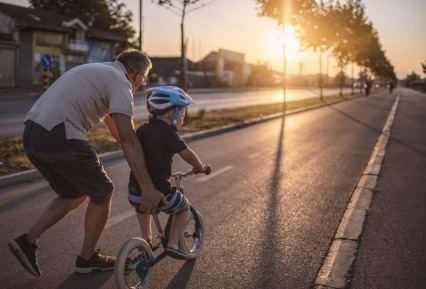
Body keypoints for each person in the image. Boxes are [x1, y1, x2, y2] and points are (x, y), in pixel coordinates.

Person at [8, 49, 166, 277]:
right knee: (103, 191)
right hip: (60, 134)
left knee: (75, 193)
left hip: (33, 134)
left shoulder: (98, 72)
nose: (141, 85)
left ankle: (27, 241)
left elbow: (121, 136)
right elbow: (129, 140)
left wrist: (142, 158)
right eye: (144, 79)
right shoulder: (121, 83)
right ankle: (87, 258)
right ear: (137, 75)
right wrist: (148, 186)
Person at [127, 86, 209, 259]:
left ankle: (145, 237)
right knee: (183, 208)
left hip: (134, 191)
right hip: (159, 191)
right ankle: (172, 244)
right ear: (172, 114)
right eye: (183, 113)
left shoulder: (142, 129)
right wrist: (199, 167)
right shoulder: (168, 132)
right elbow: (187, 154)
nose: (183, 117)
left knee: (142, 207)